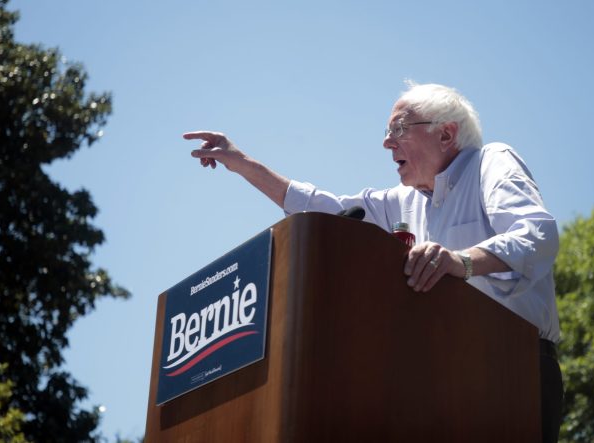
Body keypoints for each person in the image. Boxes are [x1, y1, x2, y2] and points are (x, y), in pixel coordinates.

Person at [185, 82, 563, 442]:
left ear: (446, 134)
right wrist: (241, 163)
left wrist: (460, 262)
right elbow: (330, 212)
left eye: (398, 128)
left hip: (515, 373)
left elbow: (537, 235)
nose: (386, 142)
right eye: (386, 131)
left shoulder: (490, 162)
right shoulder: (404, 200)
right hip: (442, 382)